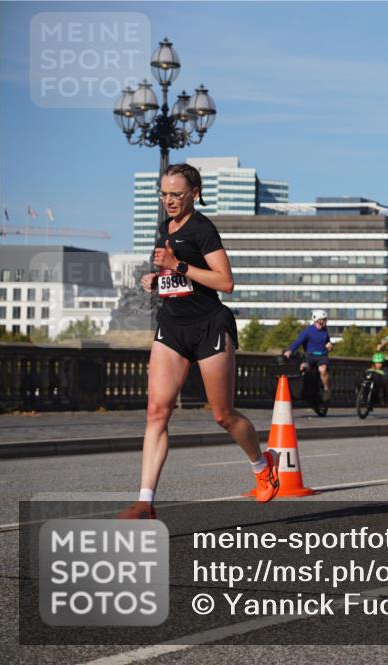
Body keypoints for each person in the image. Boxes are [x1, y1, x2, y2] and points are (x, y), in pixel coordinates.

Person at [121, 164, 279, 519]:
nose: (168, 201)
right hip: (173, 326)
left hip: (209, 325)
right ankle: (145, 502)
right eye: (163, 194)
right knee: (156, 411)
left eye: (176, 194)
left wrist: (177, 266)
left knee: (223, 414)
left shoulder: (203, 229)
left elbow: (225, 282)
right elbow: (173, 276)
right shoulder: (165, 228)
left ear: (194, 192)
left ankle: (261, 463)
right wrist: (154, 279)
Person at [284, 310, 335, 401]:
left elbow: (327, 342)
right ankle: (303, 390)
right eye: (323, 320)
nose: (325, 322)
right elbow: (298, 341)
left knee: (322, 369)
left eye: (325, 320)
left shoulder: (325, 331)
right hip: (310, 356)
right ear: (317, 320)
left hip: (322, 356)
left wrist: (329, 345)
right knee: (303, 367)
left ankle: (327, 389)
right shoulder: (308, 331)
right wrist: (290, 351)